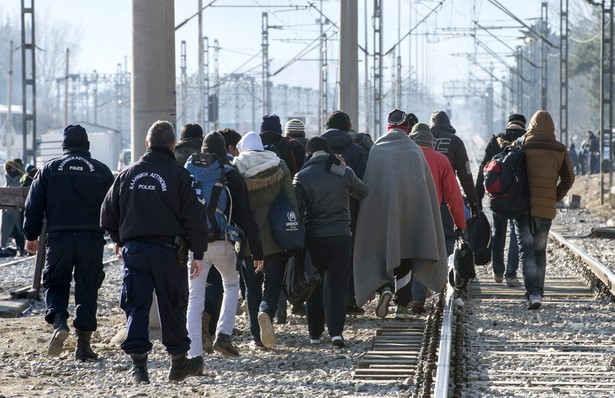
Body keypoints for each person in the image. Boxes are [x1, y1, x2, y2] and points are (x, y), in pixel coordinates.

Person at [100, 120, 207, 383]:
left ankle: (140, 369)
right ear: (172, 145)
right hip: (170, 253)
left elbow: (106, 214)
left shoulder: (127, 174)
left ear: (147, 144)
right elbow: (195, 218)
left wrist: (119, 239)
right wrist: (199, 253)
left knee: (136, 306)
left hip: (135, 250)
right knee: (173, 306)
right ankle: (178, 363)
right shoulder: (182, 176)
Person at [23, 124, 114, 360]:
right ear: (87, 145)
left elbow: (33, 205)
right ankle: (83, 347)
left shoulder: (49, 169)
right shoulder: (101, 170)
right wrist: (118, 238)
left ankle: (60, 322)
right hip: (91, 240)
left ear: (64, 146)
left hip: (59, 239)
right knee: (87, 289)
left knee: (55, 282)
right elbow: (115, 206)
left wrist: (30, 235)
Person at [353, 109, 448, 319]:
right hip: (410, 215)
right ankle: (402, 306)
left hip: (380, 215)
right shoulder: (414, 151)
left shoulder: (377, 149)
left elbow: (370, 185)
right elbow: (425, 190)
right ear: (406, 128)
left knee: (382, 251)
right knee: (405, 255)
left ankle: (385, 288)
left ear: (388, 127)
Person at [185, 131, 264, 358]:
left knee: (195, 297)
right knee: (231, 285)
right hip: (223, 243)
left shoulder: (188, 173)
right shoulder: (231, 175)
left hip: (194, 247)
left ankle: (194, 354)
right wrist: (257, 250)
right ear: (224, 151)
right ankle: (223, 335)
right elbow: (246, 218)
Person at [294, 136, 368, 347]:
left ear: (309, 154)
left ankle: (315, 335)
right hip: (340, 235)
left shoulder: (301, 176)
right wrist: (345, 167)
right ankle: (336, 333)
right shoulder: (343, 171)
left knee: (314, 285)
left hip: (313, 237)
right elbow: (363, 192)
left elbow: (297, 209)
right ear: (330, 153)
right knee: (337, 285)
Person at [232, 131, 296, 349]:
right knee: (274, 281)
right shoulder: (279, 165)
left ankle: (256, 338)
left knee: (251, 287)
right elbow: (291, 199)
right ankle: (266, 311)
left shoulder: (236, 168)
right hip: (275, 234)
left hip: (248, 237)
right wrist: (293, 229)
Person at [515, 110, 574, 310]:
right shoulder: (559, 149)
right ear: (552, 128)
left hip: (523, 208)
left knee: (527, 251)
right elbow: (569, 179)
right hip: (545, 210)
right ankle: (538, 292)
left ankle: (532, 292)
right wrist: (555, 197)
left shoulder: (522, 144)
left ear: (531, 125)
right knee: (540, 251)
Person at [406, 122, 466, 316]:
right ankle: (439, 284)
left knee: (415, 254)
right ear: (431, 141)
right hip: (436, 212)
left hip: (410, 212)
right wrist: (459, 222)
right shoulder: (441, 159)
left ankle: (416, 298)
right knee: (439, 251)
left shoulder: (407, 158)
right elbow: (453, 194)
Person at [320, 110, 368, 315]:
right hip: (349, 211)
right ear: (348, 127)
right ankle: (349, 299)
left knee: (320, 258)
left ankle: (322, 301)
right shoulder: (357, 150)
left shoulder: (315, 147)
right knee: (348, 256)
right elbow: (364, 184)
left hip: (318, 211)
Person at [476, 114, 526, 286]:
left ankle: (498, 272)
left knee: (498, 232)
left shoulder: (495, 141)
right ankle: (511, 274)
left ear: (508, 125)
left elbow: (483, 170)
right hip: (518, 197)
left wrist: (478, 197)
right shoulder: (526, 140)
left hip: (497, 197)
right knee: (515, 233)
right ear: (523, 125)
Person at [430, 110, 480, 254]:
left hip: (423, 201)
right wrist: (474, 202)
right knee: (449, 237)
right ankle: (445, 268)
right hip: (446, 201)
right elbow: (465, 176)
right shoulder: (455, 141)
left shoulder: (422, 142)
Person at [2, 159, 26, 255]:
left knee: (20, 230)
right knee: (13, 231)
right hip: (8, 208)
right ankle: (19, 248)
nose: (12, 170)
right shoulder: (7, 178)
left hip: (20, 209)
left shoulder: (22, 177)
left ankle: (21, 248)